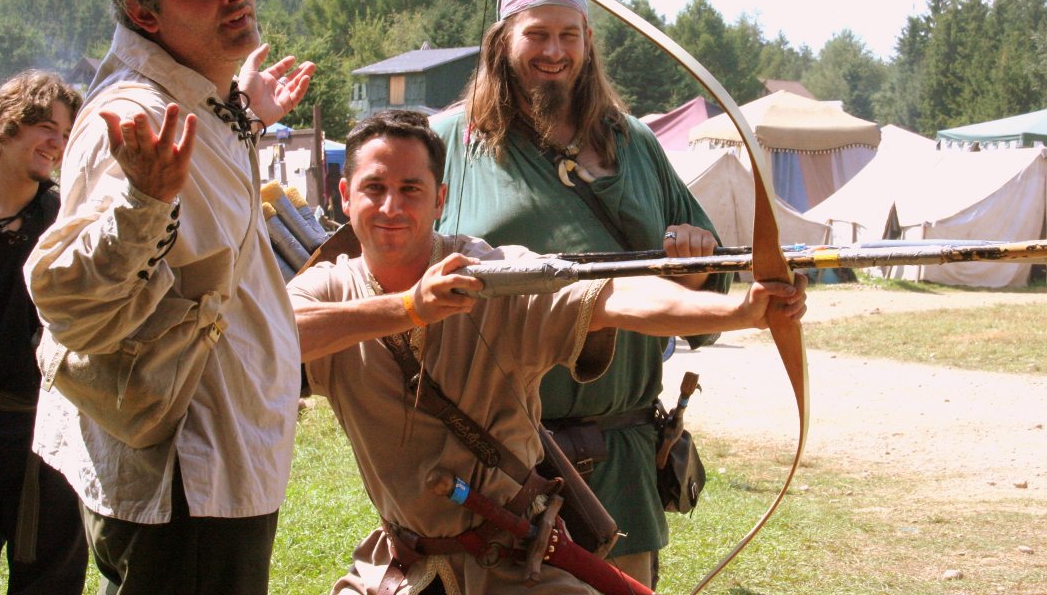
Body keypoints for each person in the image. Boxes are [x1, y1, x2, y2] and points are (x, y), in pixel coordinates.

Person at [288, 109, 806, 594]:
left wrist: (741, 311)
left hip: (519, 562)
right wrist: (409, 309)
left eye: (411, 189)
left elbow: (616, 296)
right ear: (345, 195)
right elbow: (274, 334)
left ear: (440, 199)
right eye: (374, 188)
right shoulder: (328, 288)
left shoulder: (491, 274)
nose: (391, 207)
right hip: (403, 565)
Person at [23, 0, 314, 595]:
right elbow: (71, 305)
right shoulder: (132, 120)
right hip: (187, 483)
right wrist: (141, 204)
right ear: (144, 12)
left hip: (219, 466)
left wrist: (246, 116)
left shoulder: (199, 97)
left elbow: (204, 220)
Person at [430, 0, 730, 585]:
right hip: (490, 460)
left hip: (619, 461)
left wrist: (698, 271)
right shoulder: (449, 142)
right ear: (501, 42)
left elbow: (708, 283)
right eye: (536, 34)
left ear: (588, 43)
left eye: (569, 35)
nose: (554, 50)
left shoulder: (635, 144)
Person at [0, 70, 87, 593]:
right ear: (6, 123)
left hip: (47, 435)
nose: (57, 143)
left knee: (51, 579)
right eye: (46, 127)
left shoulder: (64, 219)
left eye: (66, 134)